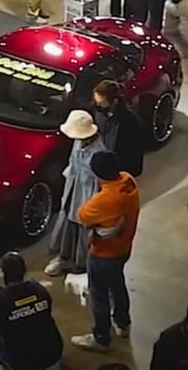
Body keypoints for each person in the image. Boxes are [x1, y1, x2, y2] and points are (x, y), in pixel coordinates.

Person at [71, 150, 141, 353]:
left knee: (99, 295)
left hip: (104, 254)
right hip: (124, 248)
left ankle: (101, 337)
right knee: (117, 285)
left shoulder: (106, 199)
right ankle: (123, 322)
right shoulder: (128, 181)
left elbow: (82, 215)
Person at [0, 251, 63, 370]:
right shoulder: (40, 290)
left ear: (4, 273)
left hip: (22, 364)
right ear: (24, 270)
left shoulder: (0, 299)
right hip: (52, 357)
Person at [45, 110, 106, 277]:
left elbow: (99, 181)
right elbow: (72, 164)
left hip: (87, 194)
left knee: (82, 228)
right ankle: (63, 256)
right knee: (66, 222)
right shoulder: (79, 143)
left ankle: (80, 262)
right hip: (72, 188)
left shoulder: (98, 152)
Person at [92, 79, 144, 177]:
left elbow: (134, 152)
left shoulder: (129, 122)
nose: (98, 105)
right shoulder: (98, 112)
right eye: (96, 102)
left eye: (102, 103)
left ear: (114, 102)